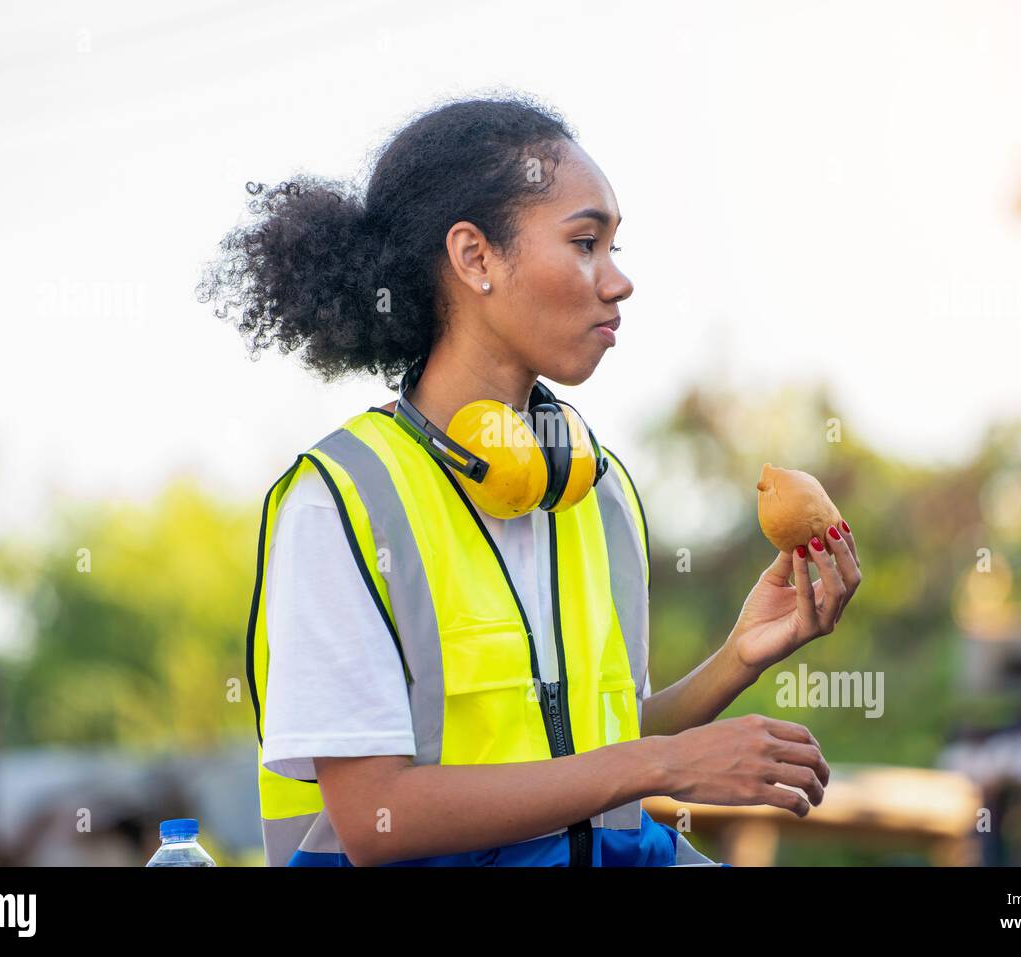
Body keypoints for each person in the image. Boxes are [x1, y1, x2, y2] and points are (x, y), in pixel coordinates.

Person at [198, 93, 862, 867]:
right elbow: (376, 815)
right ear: (475, 257)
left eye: (614, 247)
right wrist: (665, 767)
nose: (618, 282)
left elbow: (589, 749)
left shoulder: (598, 490)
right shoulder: (340, 500)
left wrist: (740, 654)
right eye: (586, 242)